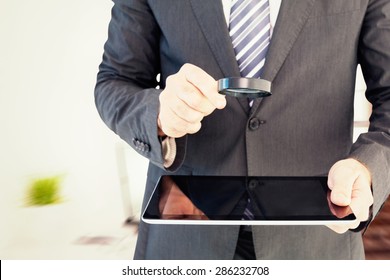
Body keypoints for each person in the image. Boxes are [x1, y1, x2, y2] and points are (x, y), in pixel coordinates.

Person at [94, 0, 390, 259]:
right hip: (185, 240)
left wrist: (367, 167)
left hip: (316, 243)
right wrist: (158, 113)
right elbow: (114, 80)